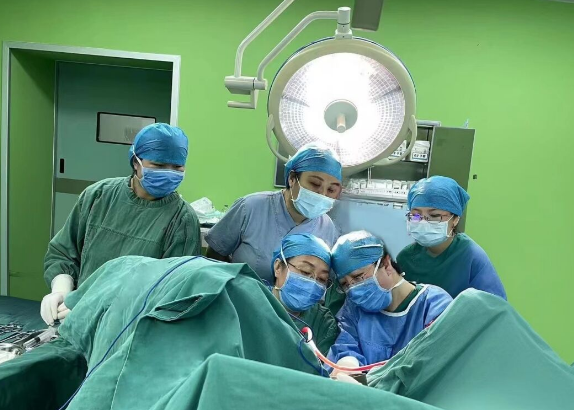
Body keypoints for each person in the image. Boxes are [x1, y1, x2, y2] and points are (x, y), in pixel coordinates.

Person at [40, 123, 201, 326]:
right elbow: (63, 252)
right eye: (158, 165)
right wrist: (61, 290)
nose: (168, 173)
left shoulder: (182, 220)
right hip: (75, 316)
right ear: (136, 162)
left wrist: (103, 310)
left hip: (130, 328)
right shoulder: (98, 196)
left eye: (177, 167)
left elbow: (172, 292)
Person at [205, 142, 342, 284]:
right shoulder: (250, 207)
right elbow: (215, 254)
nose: (322, 194)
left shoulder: (327, 228)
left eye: (331, 190)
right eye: (315, 184)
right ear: (292, 178)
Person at [327, 231, 452, 369]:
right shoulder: (354, 308)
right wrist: (347, 364)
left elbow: (436, 363)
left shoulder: (433, 304)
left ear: (386, 264)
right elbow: (345, 347)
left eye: (358, 277)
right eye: (345, 284)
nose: (353, 289)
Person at [397, 176, 507, 299]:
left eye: (435, 215)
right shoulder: (406, 257)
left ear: (455, 219)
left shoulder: (470, 257)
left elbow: (493, 306)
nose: (423, 222)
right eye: (415, 215)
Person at [270, 233, 339, 355]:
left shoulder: (323, 323)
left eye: (322, 279)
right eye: (305, 271)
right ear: (278, 267)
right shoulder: (251, 299)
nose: (312, 283)